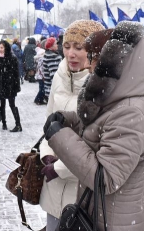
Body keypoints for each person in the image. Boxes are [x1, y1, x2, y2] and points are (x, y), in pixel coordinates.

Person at [43, 21, 144, 230]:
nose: (89, 65)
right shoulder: (121, 99)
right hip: (99, 216)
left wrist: (61, 137)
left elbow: (105, 178)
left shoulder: (131, 111)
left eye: (95, 58)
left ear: (116, 63)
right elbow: (102, 129)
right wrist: (69, 120)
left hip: (114, 222)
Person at [39, 20, 105, 231]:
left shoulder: (100, 86)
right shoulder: (59, 76)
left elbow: (94, 144)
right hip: (53, 181)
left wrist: (59, 168)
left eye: (79, 47)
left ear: (94, 51)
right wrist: (46, 156)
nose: (71, 54)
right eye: (67, 46)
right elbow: (49, 123)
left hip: (80, 187)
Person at [0, 40, 22, 132]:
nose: (0, 49)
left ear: (6, 48)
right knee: (2, 105)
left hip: (10, 86)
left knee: (12, 105)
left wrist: (15, 86)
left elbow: (15, 73)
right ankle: (4, 123)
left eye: (2, 47)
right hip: (1, 85)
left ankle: (18, 124)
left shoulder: (12, 58)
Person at [43, 37, 62, 102]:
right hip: (55, 90)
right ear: (51, 46)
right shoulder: (52, 57)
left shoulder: (49, 55)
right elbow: (54, 76)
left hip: (50, 90)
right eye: (55, 44)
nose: (57, 45)